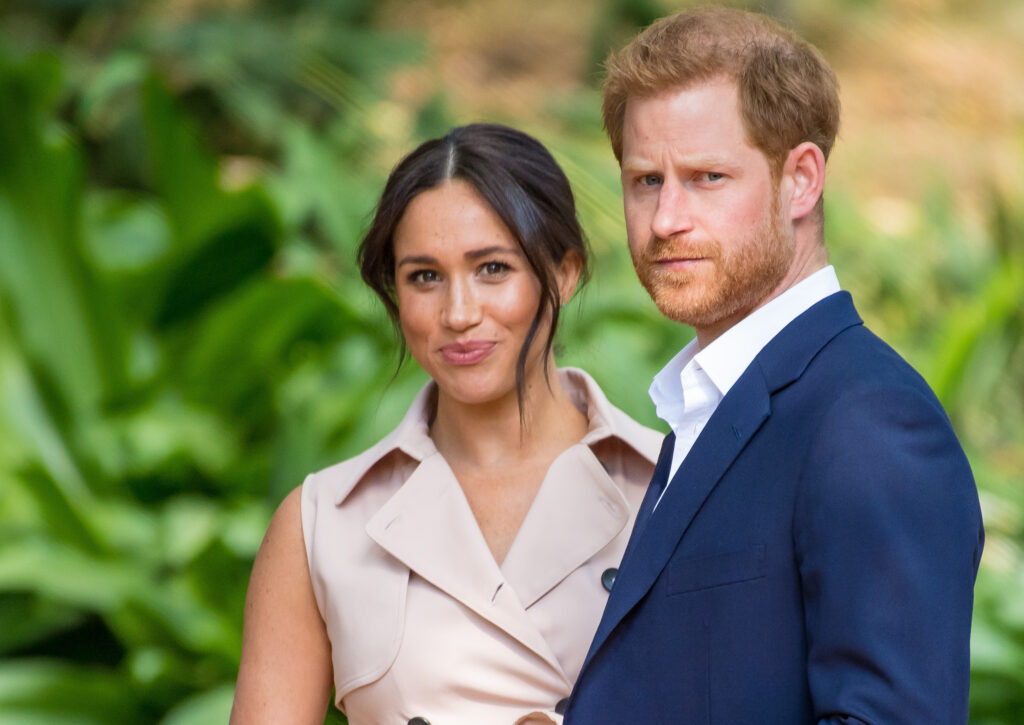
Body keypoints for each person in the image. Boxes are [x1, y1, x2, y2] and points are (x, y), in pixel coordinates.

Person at [564, 7, 984, 724]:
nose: (666, 220)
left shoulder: (868, 421)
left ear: (802, 180)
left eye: (707, 177)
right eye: (645, 181)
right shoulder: (710, 403)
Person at [230, 123, 662, 725]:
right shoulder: (322, 524)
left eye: (492, 269)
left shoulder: (675, 488)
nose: (459, 314)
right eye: (424, 277)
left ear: (564, 273)